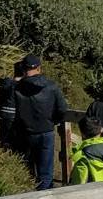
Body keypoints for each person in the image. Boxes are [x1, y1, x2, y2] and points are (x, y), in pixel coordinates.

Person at [12, 55, 66, 189]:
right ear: (39, 68)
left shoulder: (16, 88)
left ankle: (29, 196)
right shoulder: (51, 86)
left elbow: (13, 111)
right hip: (46, 131)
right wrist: (53, 121)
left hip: (25, 132)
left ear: (24, 69)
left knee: (27, 169)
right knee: (46, 172)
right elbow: (62, 109)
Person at [0, 60, 26, 158]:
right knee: (13, 141)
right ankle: (10, 160)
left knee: (1, 138)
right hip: (14, 117)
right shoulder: (23, 86)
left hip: (2, 115)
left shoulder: (5, 84)